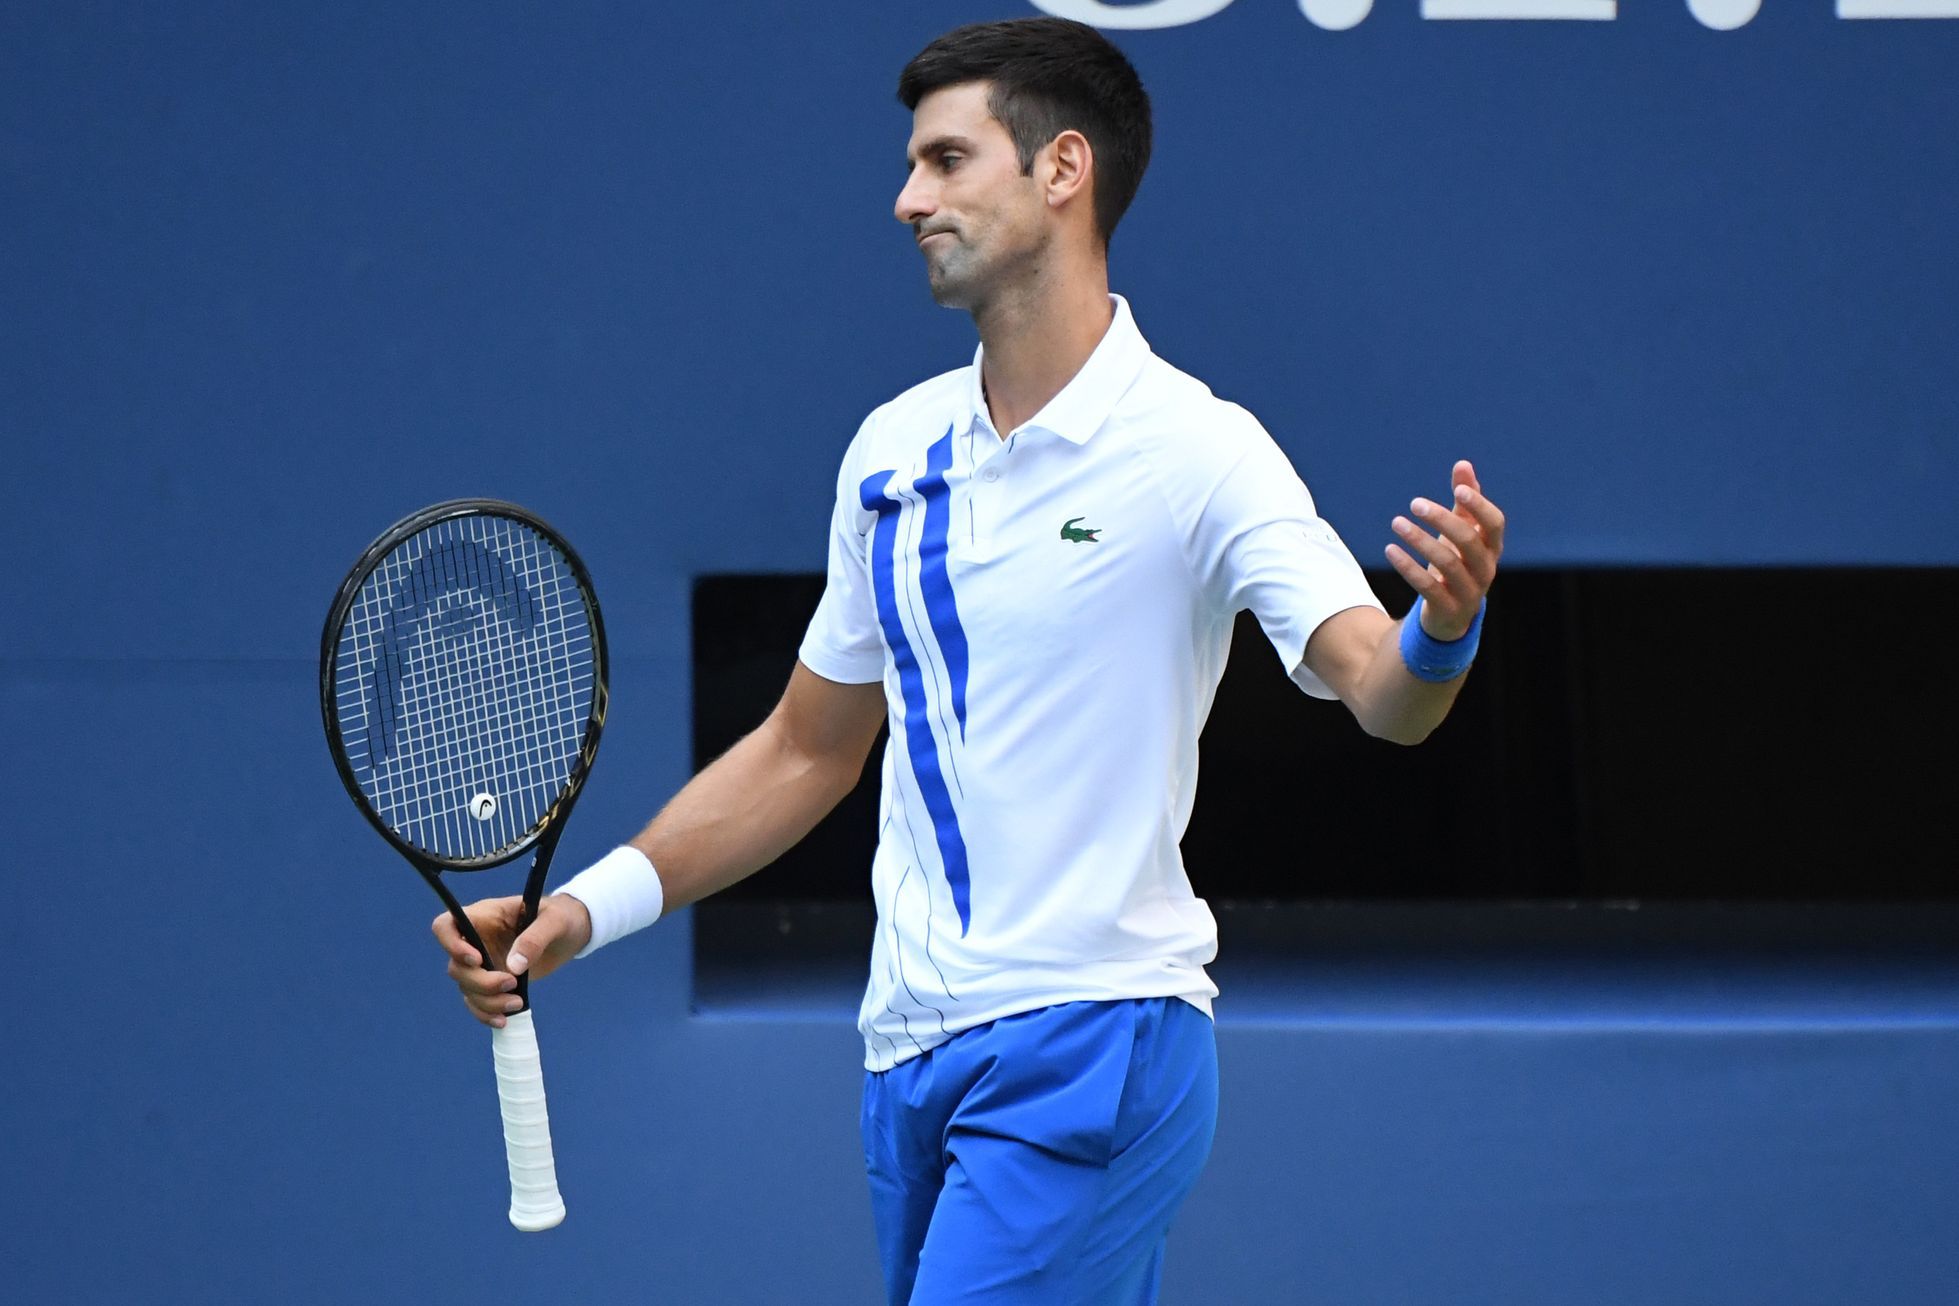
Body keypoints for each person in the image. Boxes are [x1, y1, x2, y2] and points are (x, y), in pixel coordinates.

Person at [433, 16, 1504, 1305]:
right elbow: (807, 746)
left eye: (946, 161)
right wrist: (577, 916)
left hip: (1093, 1035)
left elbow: (1382, 695)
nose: (906, 200)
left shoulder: (1200, 450)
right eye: (911, 165)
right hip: (906, 1055)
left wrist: (1443, 628)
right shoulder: (889, 454)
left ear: (1063, 170)